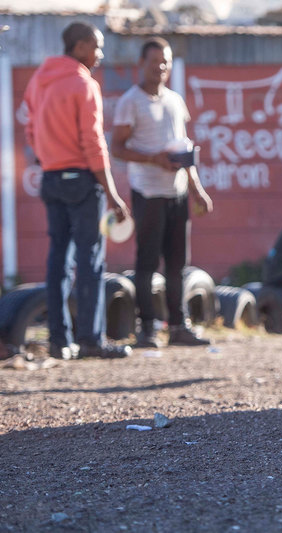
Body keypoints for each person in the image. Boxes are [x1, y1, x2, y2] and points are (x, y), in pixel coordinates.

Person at [24, 22, 131, 360]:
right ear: (81, 46)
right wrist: (112, 193)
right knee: (90, 260)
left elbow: (30, 127)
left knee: (58, 259)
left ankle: (59, 341)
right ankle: (90, 340)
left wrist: (48, 156)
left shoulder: (40, 79)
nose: (100, 55)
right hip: (82, 180)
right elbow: (94, 143)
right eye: (97, 47)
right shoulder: (83, 83)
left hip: (52, 177)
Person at [111, 37, 214, 348]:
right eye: (155, 61)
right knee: (146, 263)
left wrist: (197, 189)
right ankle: (147, 330)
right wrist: (153, 159)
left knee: (177, 264)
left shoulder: (174, 100)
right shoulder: (130, 101)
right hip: (149, 194)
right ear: (141, 64)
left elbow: (184, 151)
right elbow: (117, 148)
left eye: (165, 61)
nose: (161, 67)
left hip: (177, 194)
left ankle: (179, 326)